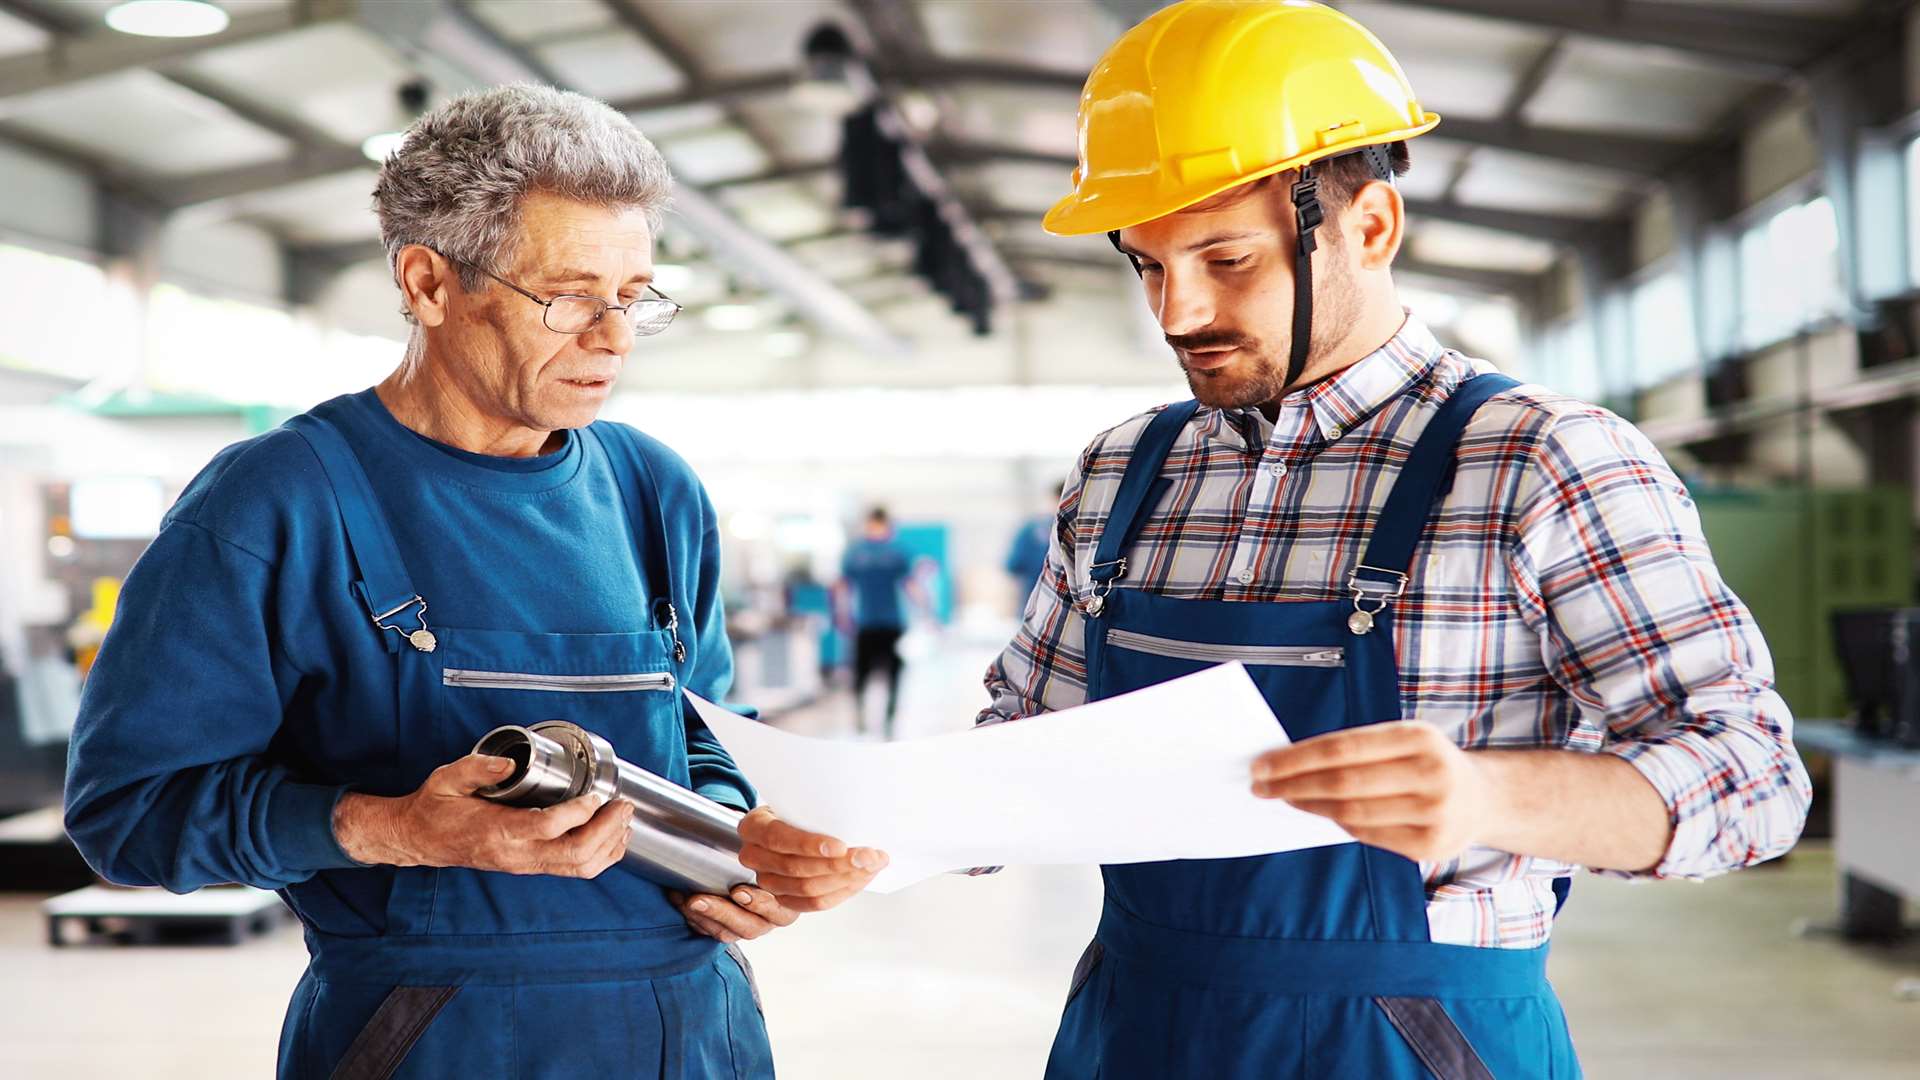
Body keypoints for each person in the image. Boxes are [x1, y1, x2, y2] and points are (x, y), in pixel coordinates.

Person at [978, 3, 1812, 1077]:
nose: (1179, 311)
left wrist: (1487, 796)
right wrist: (868, 837)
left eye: (1227, 258)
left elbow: (1754, 778)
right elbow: (1021, 736)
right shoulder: (1124, 471)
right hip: (1135, 1027)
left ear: (1369, 226)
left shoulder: (1540, 459)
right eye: (1146, 265)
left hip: (1413, 1041)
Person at [62, 84, 884, 1078]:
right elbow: (129, 813)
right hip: (430, 1035)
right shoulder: (278, 502)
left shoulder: (650, 491)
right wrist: (398, 828)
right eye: (570, 295)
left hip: (689, 1030)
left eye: (633, 297)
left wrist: (743, 849)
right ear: (429, 283)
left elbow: (707, 741)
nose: (613, 336)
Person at [836, 507, 915, 738]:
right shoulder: (861, 551)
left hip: (888, 624)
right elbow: (843, 586)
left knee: (890, 673)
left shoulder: (886, 551)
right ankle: (861, 717)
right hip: (869, 623)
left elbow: (910, 585)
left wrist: (928, 615)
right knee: (863, 672)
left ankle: (886, 719)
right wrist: (842, 614)